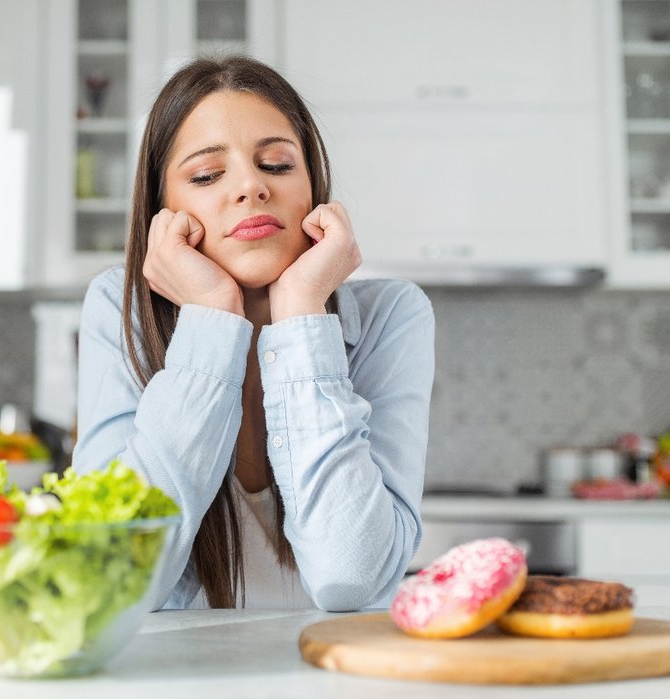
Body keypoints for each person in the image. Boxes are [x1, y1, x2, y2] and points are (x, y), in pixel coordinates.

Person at [73, 55, 435, 611]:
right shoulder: (115, 309)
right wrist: (213, 319)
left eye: (277, 164)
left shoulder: (395, 314)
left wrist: (302, 313)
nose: (250, 187)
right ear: (163, 212)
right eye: (206, 175)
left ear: (313, 188)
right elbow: (107, 580)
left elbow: (352, 577)